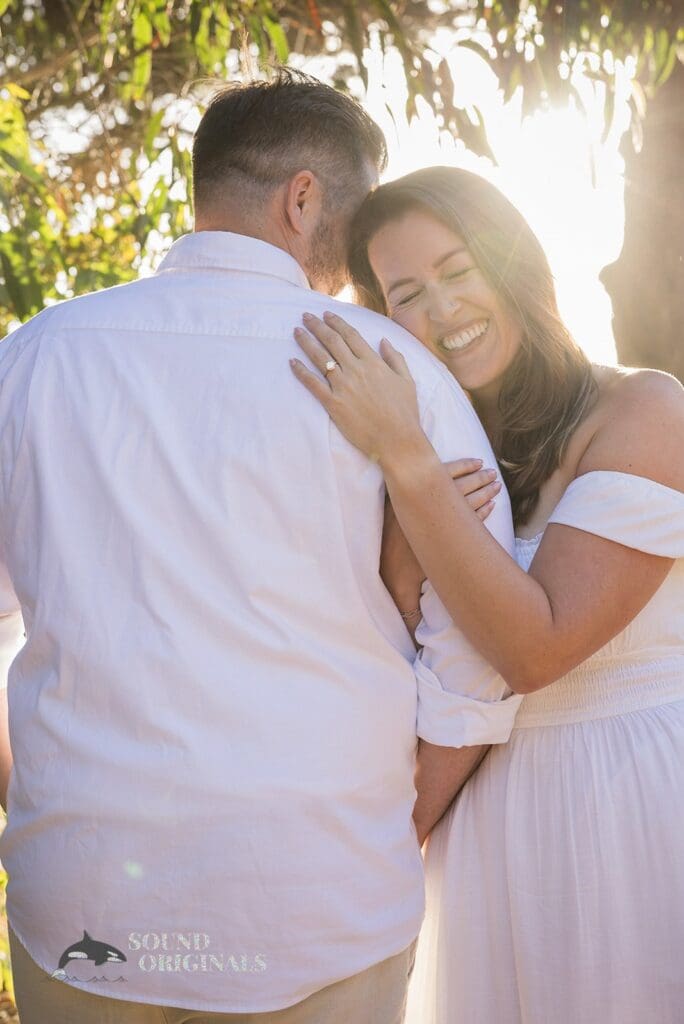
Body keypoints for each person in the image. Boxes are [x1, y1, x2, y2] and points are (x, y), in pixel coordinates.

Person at [0, 79, 522, 1024]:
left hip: (85, 902)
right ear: (305, 198)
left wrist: (31, 795)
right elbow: (476, 659)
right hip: (323, 898)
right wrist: (389, 830)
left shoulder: (34, 357)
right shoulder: (392, 370)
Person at [290, 165, 684, 1023]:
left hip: (628, 805)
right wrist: (409, 503)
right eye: (406, 292)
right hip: (488, 816)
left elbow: (536, 649)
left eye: (459, 270)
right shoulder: (443, 455)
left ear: (517, 263)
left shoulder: (644, 411)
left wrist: (410, 466)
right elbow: (395, 644)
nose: (444, 309)